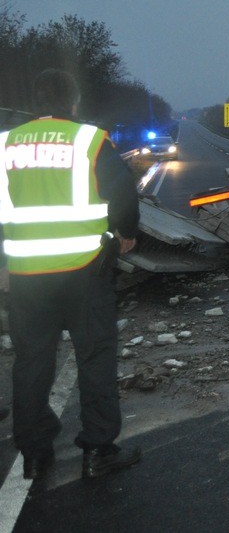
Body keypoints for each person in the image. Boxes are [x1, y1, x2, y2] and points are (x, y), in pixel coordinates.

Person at [0, 69, 142, 484]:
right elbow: (122, 192)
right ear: (73, 101)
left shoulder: (6, 143)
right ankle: (98, 450)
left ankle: (33, 453)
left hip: (27, 273)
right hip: (84, 270)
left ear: (33, 102)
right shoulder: (90, 140)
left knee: (31, 361)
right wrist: (127, 233)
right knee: (94, 357)